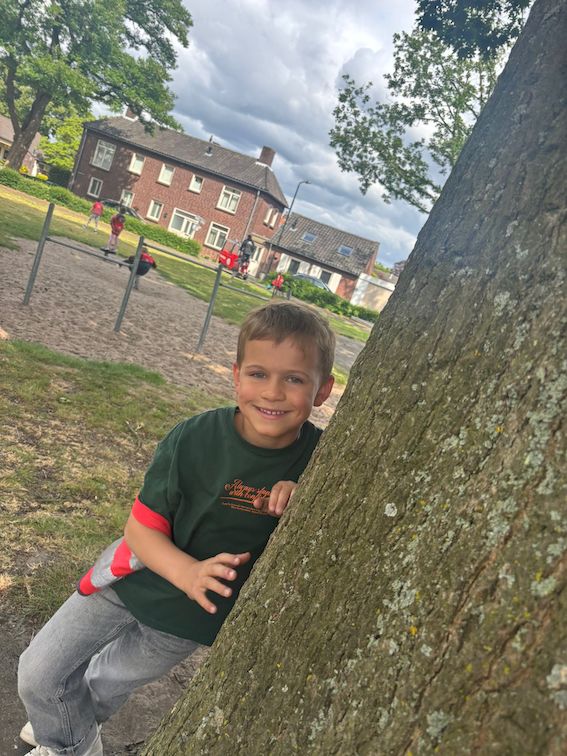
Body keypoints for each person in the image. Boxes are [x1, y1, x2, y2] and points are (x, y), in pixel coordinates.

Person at [17, 301, 335, 756]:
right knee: (39, 672)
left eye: (295, 379)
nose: (273, 392)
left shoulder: (323, 462)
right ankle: (65, 735)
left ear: (323, 390)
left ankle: (64, 741)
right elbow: (140, 530)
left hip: (190, 616)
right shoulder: (194, 437)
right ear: (236, 375)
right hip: (133, 577)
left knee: (104, 685)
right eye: (258, 374)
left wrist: (306, 494)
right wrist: (186, 571)